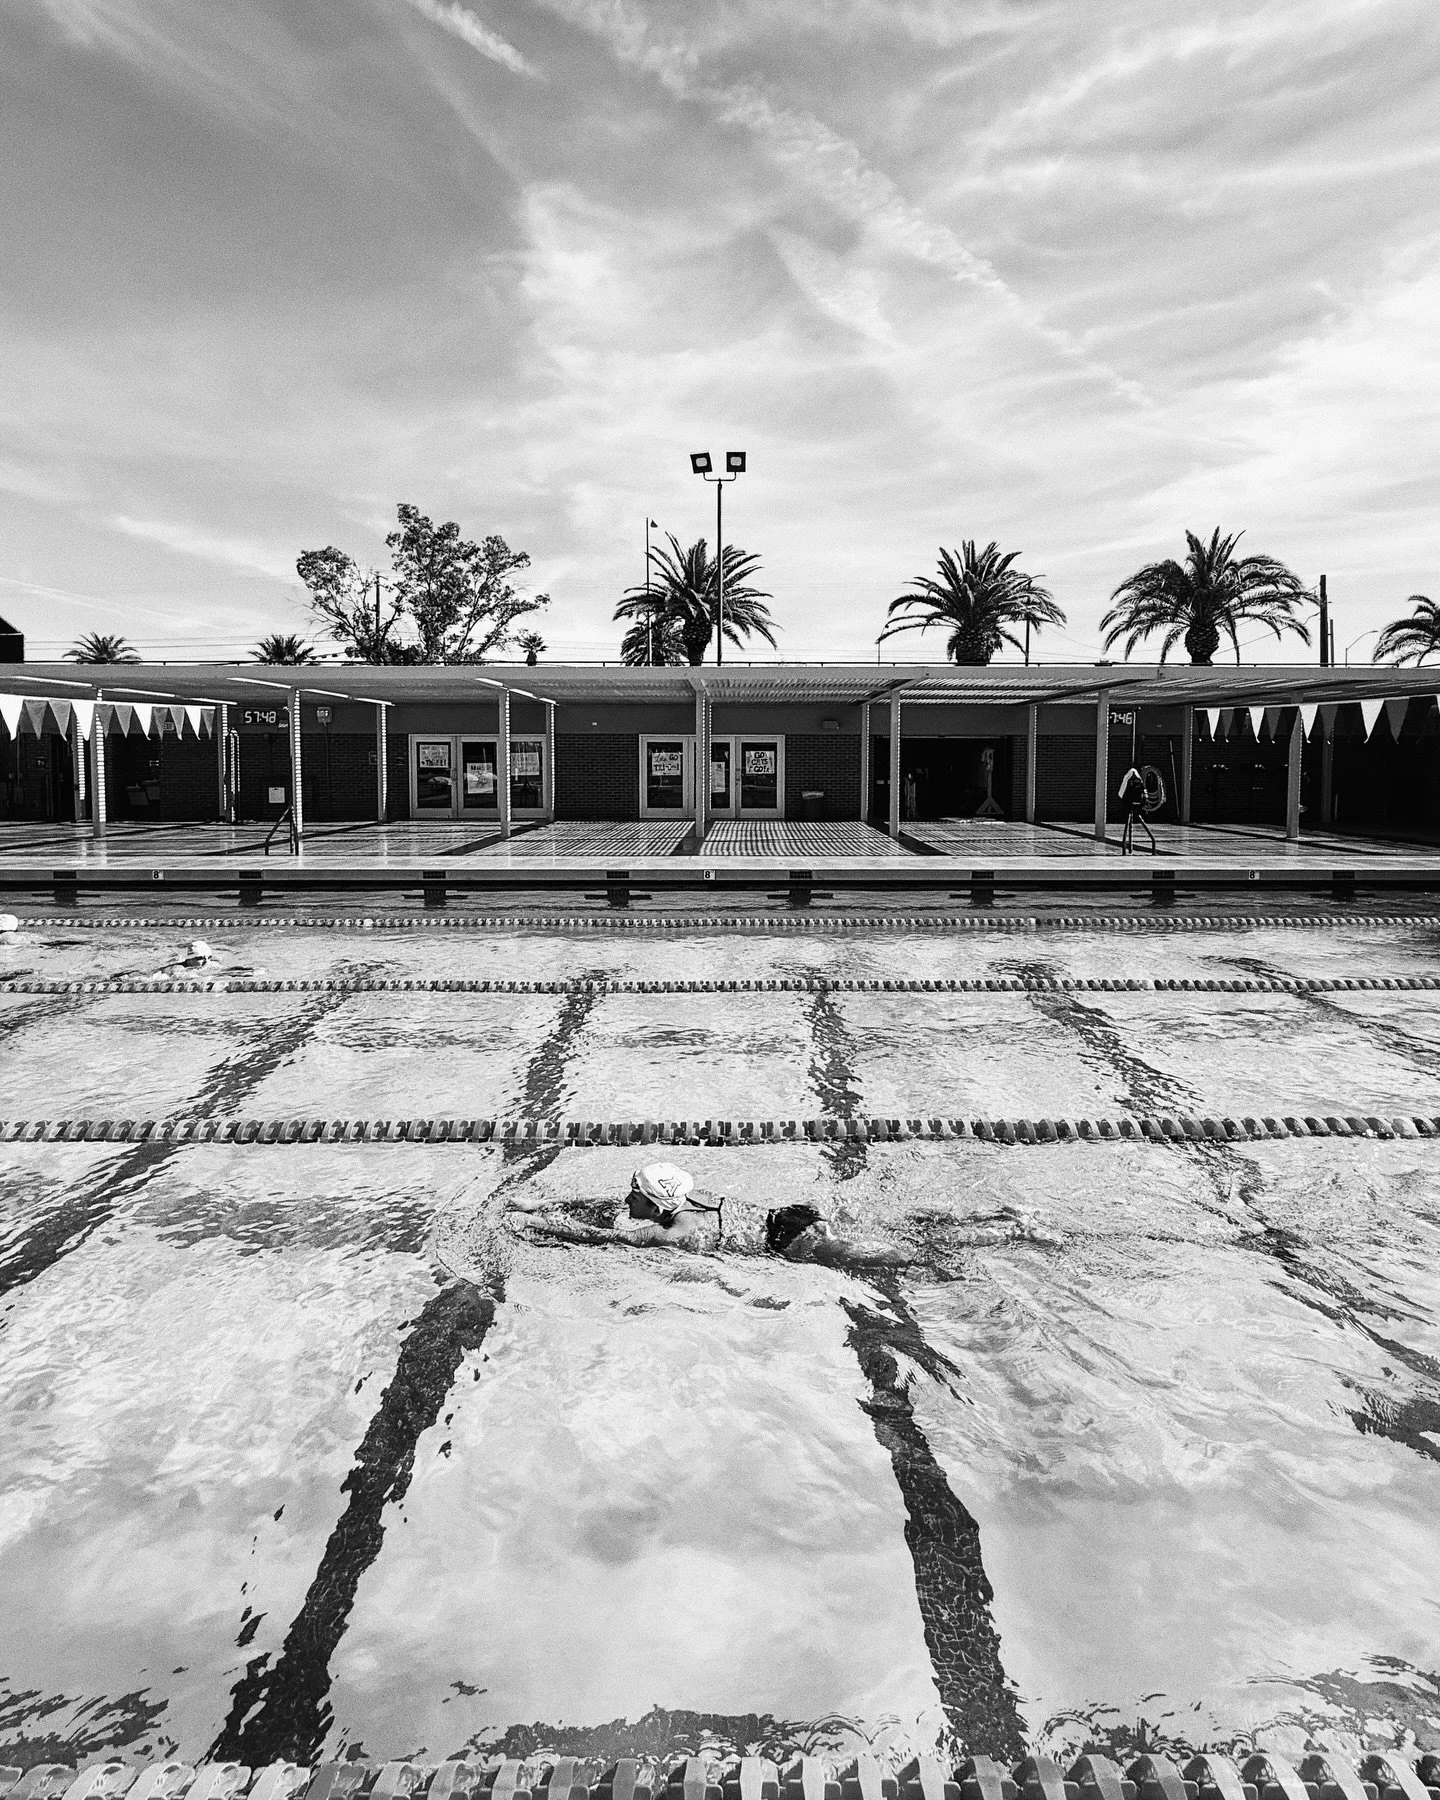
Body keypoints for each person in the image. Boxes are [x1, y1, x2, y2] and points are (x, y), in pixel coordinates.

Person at [503, 1164, 1062, 1268]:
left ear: (656, 1204)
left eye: (634, 1194)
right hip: (790, 1215)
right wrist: (541, 1202)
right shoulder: (689, 1204)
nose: (625, 1200)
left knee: (909, 1256)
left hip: (794, 1244)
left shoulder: (672, 1234)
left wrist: (538, 1225)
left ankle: (1006, 1238)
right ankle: (998, 1219)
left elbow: (598, 1238)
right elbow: (605, 1211)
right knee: (904, 1231)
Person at [1117, 764, 1156, 856]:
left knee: (1127, 828)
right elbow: (1145, 796)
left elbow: (1121, 794)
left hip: (1129, 803)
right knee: (1140, 825)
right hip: (1137, 804)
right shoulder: (1140, 784)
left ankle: (1126, 848)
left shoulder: (1128, 781)